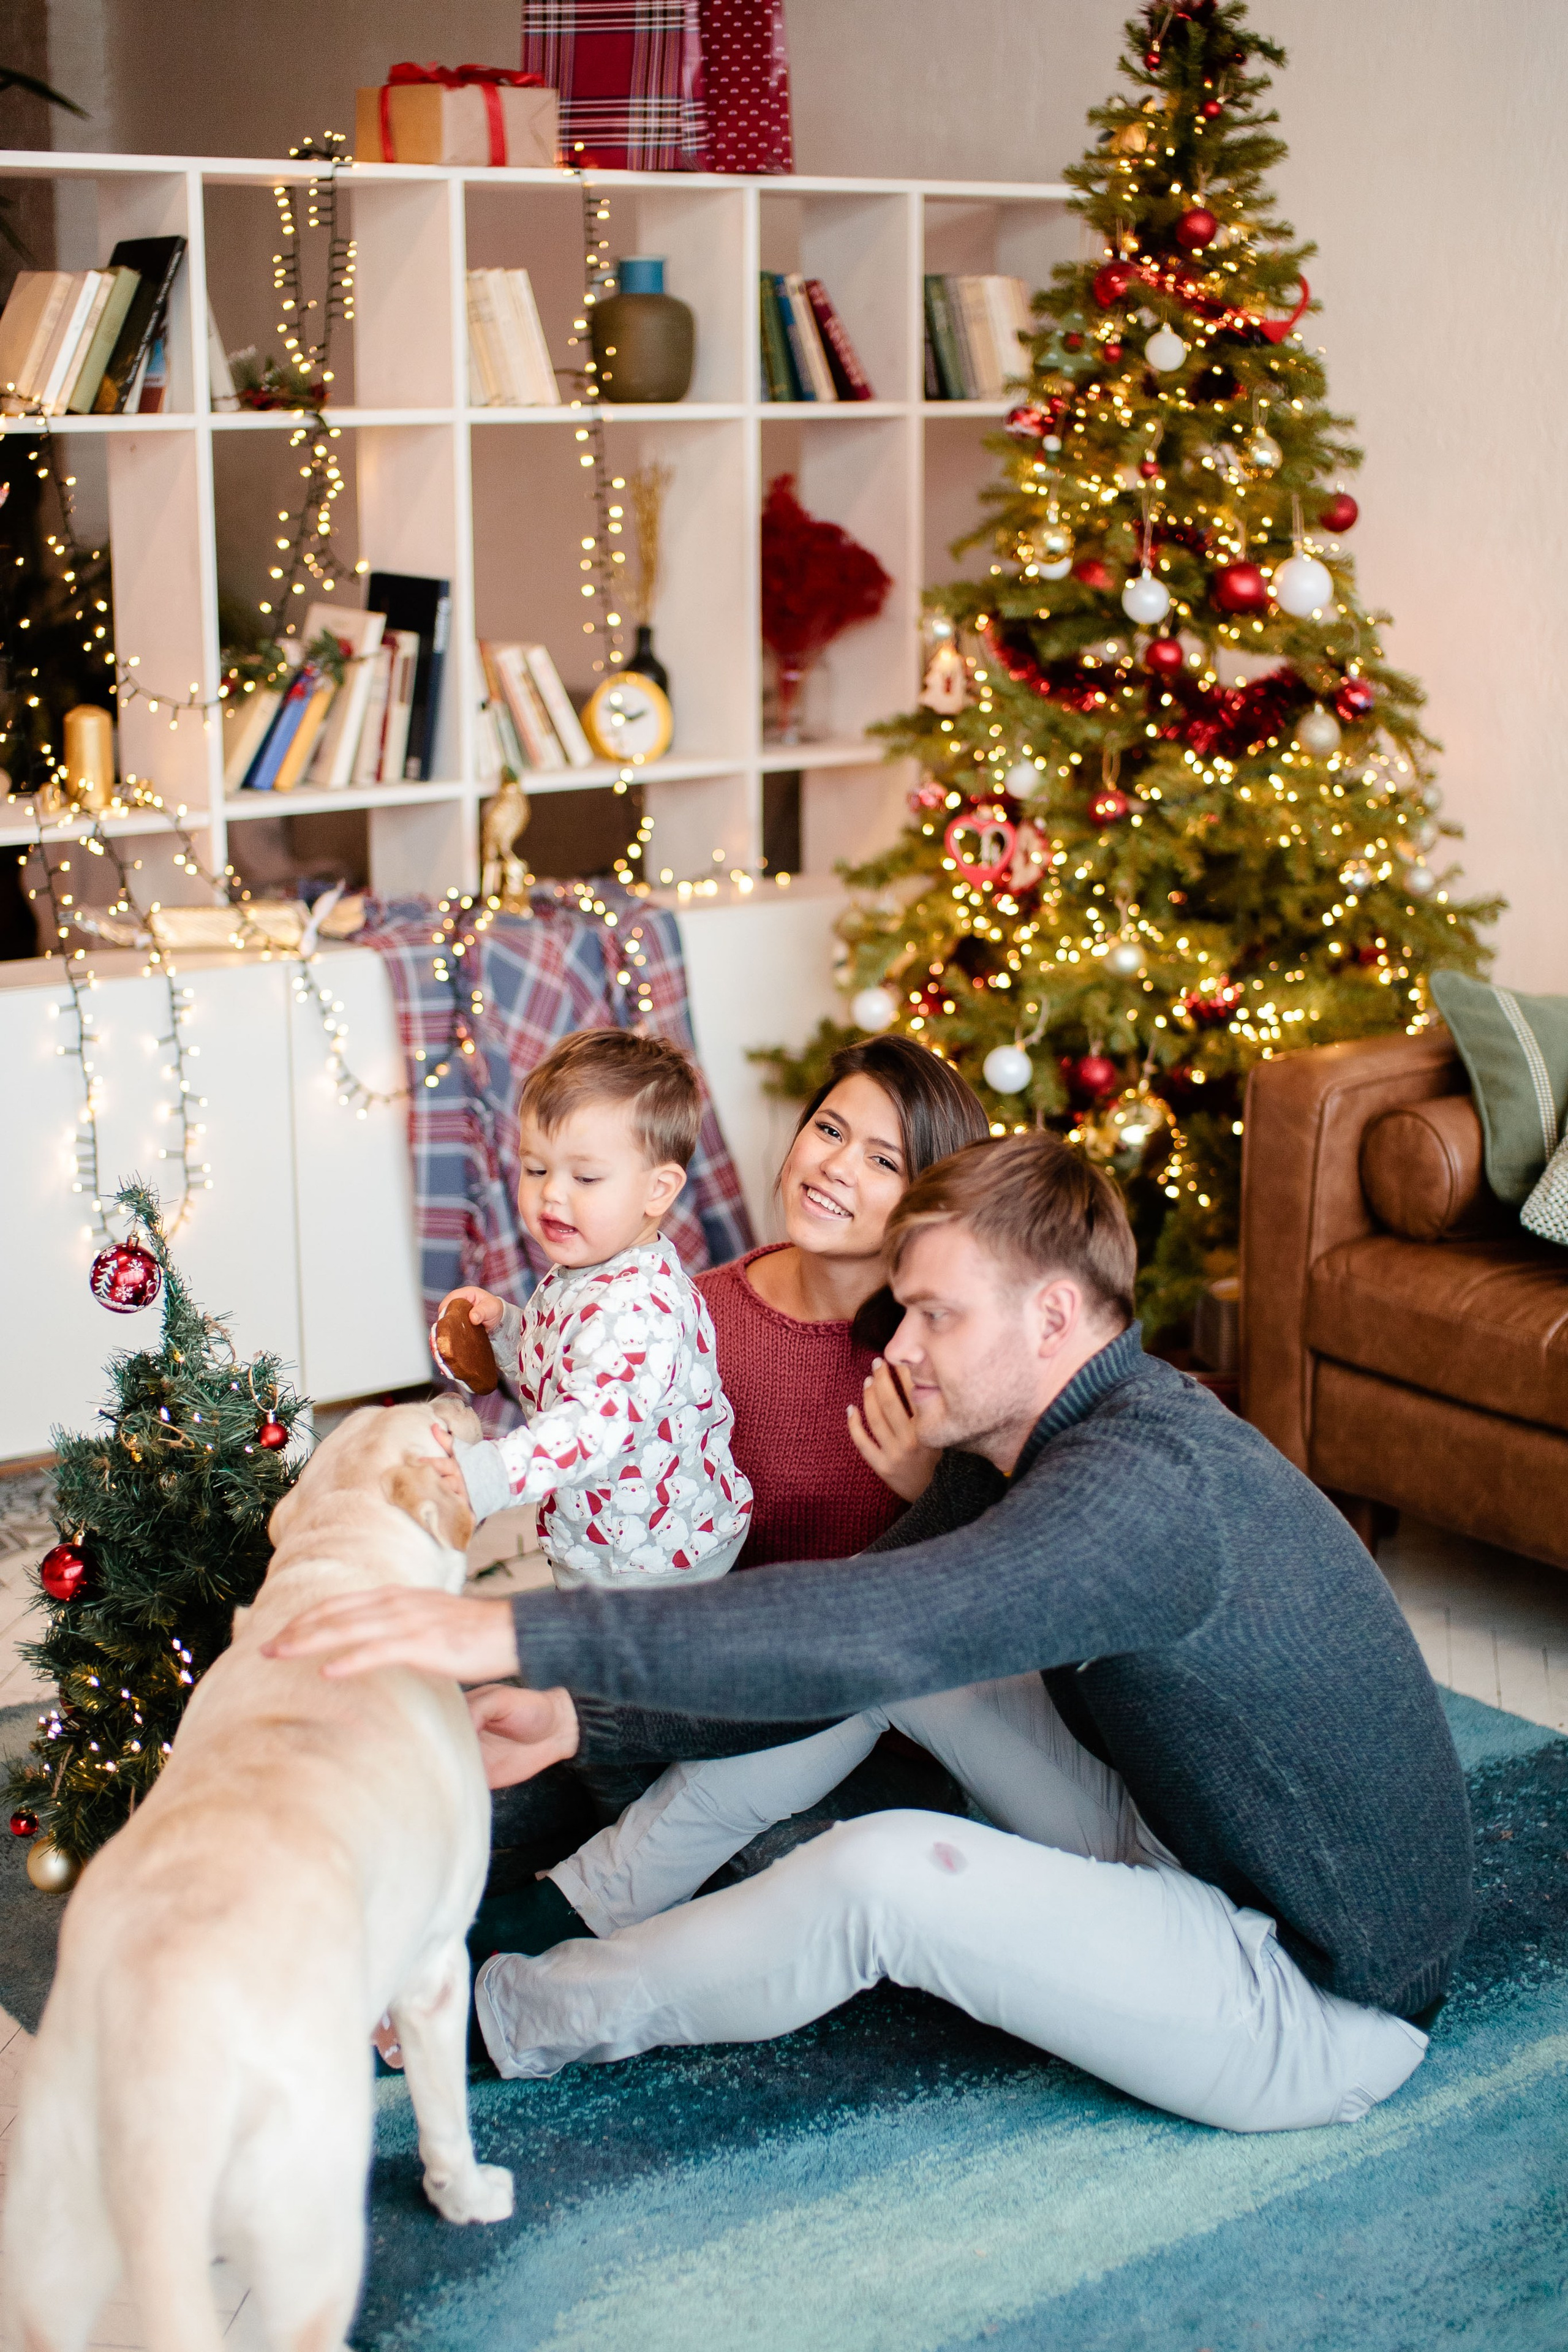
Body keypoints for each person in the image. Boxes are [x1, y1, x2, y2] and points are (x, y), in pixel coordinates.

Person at [266, 1133, 1475, 2136]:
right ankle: (600, 1893)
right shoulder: (1040, 1440)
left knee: (877, 1872)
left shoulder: (1139, 1496)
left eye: (935, 1316)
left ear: (1053, 1315)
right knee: (901, 1655)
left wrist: (521, 1634)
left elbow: (866, 1630)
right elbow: (864, 1624)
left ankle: (511, 2016)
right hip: (1181, 1836)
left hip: (1311, 2000)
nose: (895, 1349)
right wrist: (587, 1712)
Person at [434, 1027, 752, 1588]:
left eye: (585, 1177)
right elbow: (570, 1362)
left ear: (658, 1190)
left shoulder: (640, 1308)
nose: (553, 1194)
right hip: (599, 1532)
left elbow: (591, 1423)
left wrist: (488, 1473)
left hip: (655, 1558)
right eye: (536, 1170)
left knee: (622, 1675)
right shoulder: (589, 1267)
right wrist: (507, 1329)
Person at [693, 1033, 992, 1566]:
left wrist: (932, 1491)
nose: (836, 1165)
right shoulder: (693, 1315)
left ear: (929, 1200)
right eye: (829, 1130)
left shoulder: (949, 1353)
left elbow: (999, 1573)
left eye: (883, 1162)